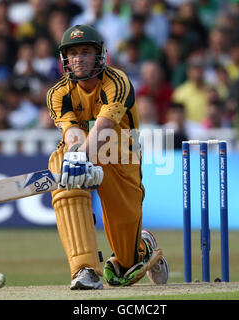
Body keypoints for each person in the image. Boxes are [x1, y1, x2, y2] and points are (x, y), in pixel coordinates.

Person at [46, 24, 168, 290]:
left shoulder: (118, 81)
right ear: (65, 59)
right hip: (83, 151)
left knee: (126, 265)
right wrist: (77, 157)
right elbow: (72, 132)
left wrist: (84, 156)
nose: (78, 58)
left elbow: (104, 128)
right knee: (62, 165)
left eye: (85, 52)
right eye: (73, 53)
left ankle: (142, 246)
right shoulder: (58, 94)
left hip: (120, 156)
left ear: (99, 55)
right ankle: (85, 269)